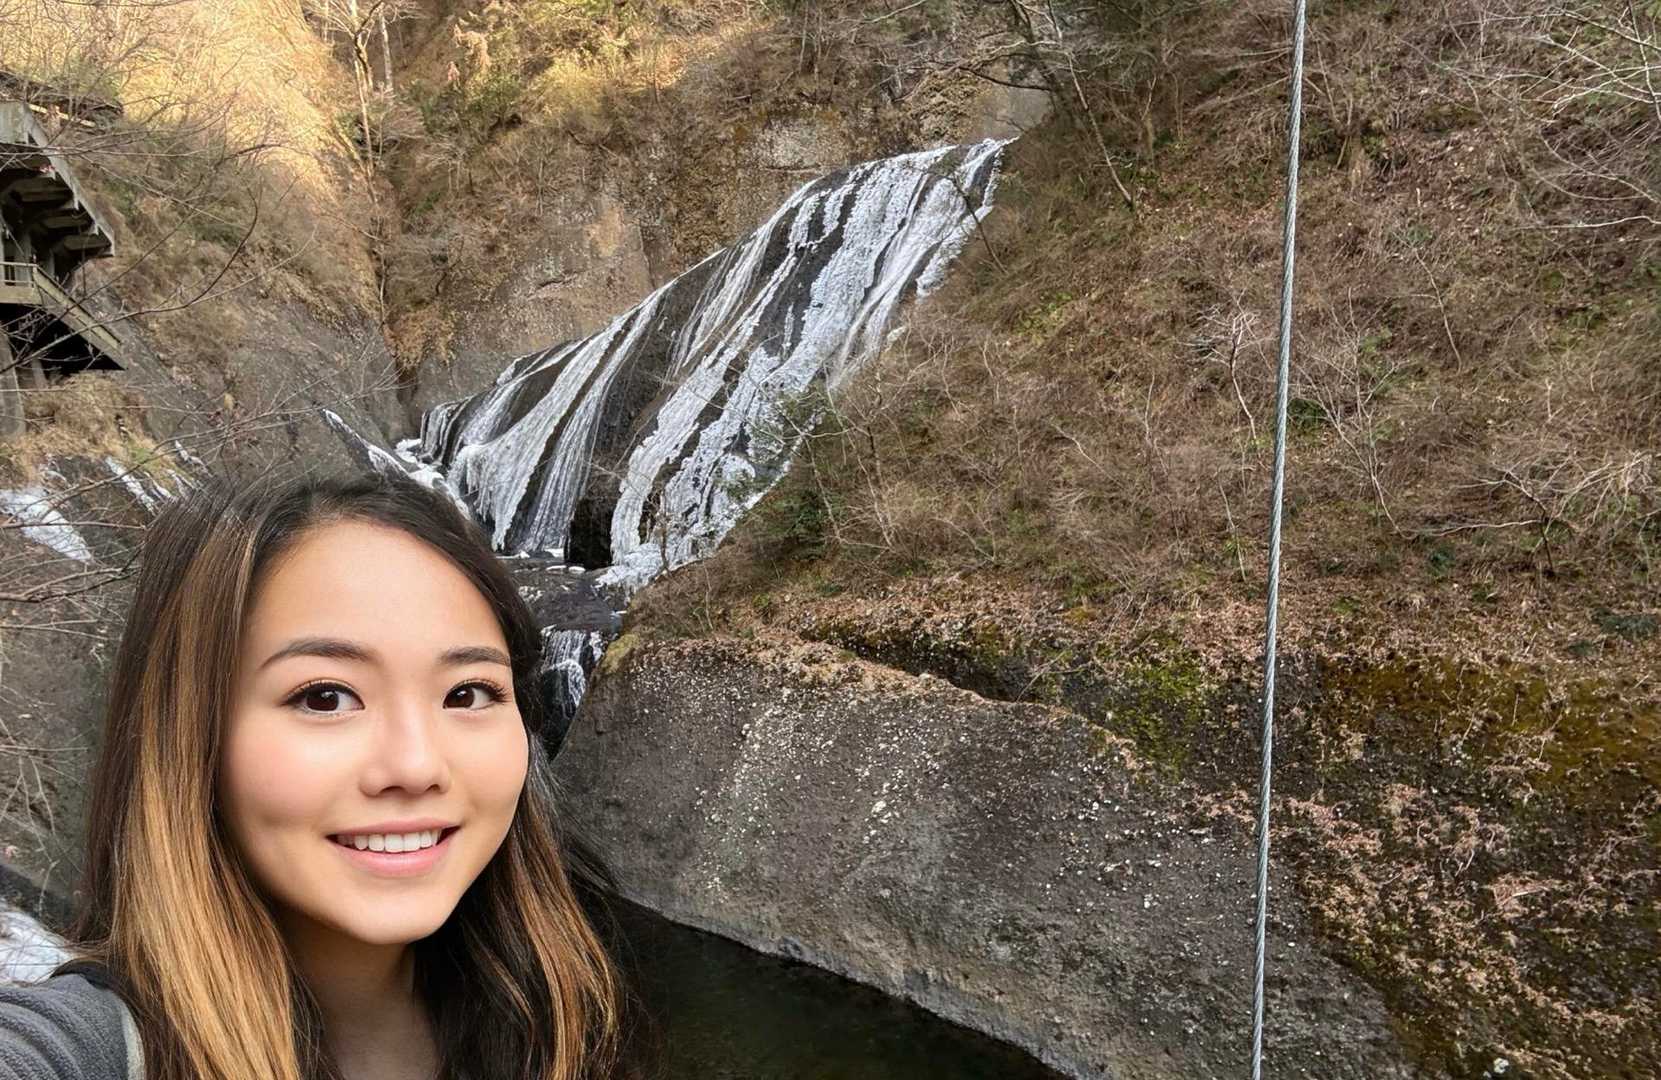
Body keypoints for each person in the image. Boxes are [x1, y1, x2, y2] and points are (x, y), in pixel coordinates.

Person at [0, 468, 655, 1079]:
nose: (416, 766)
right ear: (188, 736)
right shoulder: (86, 1046)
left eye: (467, 693)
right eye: (325, 697)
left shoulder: (566, 1009)